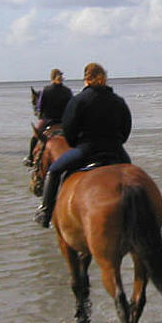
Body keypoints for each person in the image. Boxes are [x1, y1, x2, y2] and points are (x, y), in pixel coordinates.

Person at [34, 62, 132, 228]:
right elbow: (126, 129)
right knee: (131, 174)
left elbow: (69, 129)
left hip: (87, 150)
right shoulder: (118, 101)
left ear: (86, 79)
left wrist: (75, 144)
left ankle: (45, 212)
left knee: (54, 170)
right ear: (104, 78)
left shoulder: (79, 100)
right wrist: (116, 143)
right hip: (116, 151)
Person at [24, 68, 73, 166]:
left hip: (48, 119)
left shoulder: (46, 90)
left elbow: (39, 106)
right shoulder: (68, 91)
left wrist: (41, 113)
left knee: (35, 135)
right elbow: (72, 106)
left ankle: (30, 158)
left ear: (52, 78)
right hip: (63, 121)